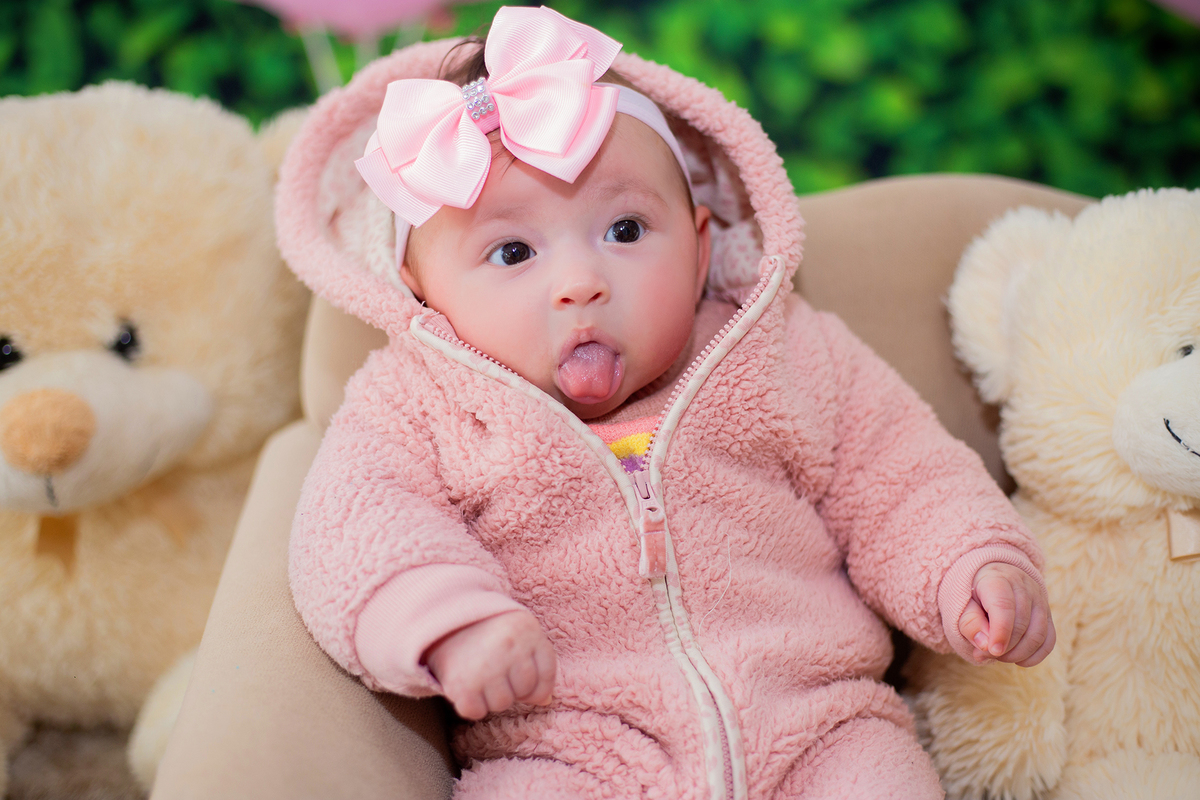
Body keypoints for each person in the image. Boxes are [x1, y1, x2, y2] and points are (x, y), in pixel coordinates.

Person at [284, 6, 1055, 798]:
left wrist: (969, 564)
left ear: (699, 246)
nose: (580, 281)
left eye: (624, 229)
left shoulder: (781, 349)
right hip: (567, 748)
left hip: (820, 727)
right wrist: (450, 625)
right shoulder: (419, 404)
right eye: (512, 252)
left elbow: (897, 473)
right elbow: (357, 525)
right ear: (423, 292)